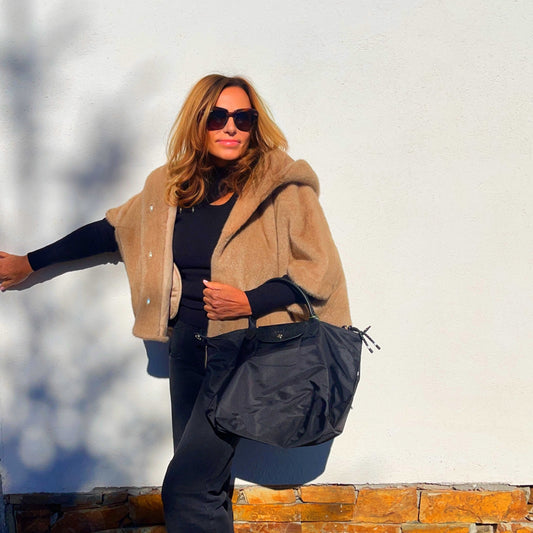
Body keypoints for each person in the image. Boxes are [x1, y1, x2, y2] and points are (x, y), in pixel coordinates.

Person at [0, 74, 351, 533]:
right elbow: (111, 231)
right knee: (208, 485)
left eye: (243, 118)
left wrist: (249, 300)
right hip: (186, 350)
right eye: (217, 117)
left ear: (254, 125)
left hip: (243, 355)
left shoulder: (282, 187)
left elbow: (319, 271)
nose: (231, 127)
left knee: (186, 489)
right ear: (198, 122)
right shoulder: (170, 188)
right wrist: (29, 263)